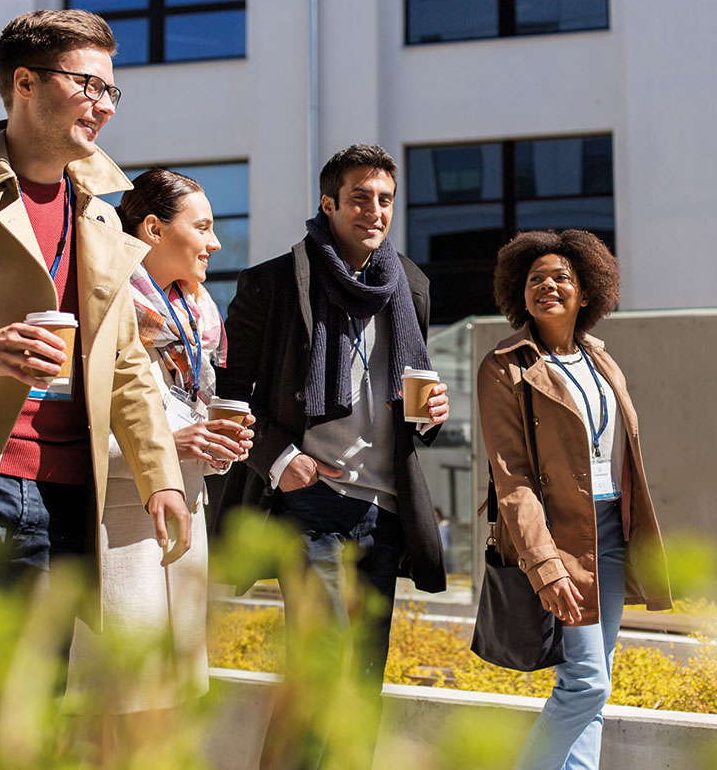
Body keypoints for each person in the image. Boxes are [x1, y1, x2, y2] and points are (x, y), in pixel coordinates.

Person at [0, 11, 189, 766]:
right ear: (25, 84)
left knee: (28, 721)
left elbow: (128, 362)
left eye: (112, 89)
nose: (102, 103)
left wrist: (160, 474)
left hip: (67, 493)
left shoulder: (102, 217)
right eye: (87, 84)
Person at [216, 144, 450, 768]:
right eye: (359, 198)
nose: (374, 211)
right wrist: (280, 456)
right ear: (329, 203)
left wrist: (429, 416)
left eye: (385, 200)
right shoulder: (273, 282)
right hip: (311, 502)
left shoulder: (411, 284)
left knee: (361, 682)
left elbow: (409, 394)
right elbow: (230, 395)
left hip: (387, 506)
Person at [66, 169, 254, 751]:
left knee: (168, 697)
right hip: (121, 524)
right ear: (151, 229)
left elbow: (184, 410)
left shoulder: (195, 312)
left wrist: (215, 446)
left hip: (182, 523)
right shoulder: (103, 302)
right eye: (201, 227)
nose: (215, 243)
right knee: (116, 698)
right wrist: (174, 443)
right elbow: (82, 424)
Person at [477, 229, 672, 769]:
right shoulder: (505, 366)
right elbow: (511, 479)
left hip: (612, 530)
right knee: (586, 684)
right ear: (521, 292)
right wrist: (547, 565)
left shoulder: (602, 362)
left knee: (595, 686)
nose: (548, 285)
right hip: (561, 540)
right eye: (536, 278)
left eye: (562, 277)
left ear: (586, 292)